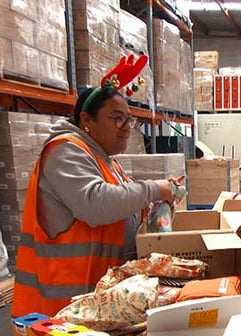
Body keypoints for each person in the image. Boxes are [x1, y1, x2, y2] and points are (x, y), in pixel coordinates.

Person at [12, 86, 182, 318]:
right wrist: (154, 189)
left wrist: (155, 206)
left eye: (128, 120)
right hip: (66, 305)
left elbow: (124, 206)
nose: (125, 129)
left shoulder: (104, 160)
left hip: (95, 298)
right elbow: (96, 204)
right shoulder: (64, 151)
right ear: (86, 119)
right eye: (116, 118)